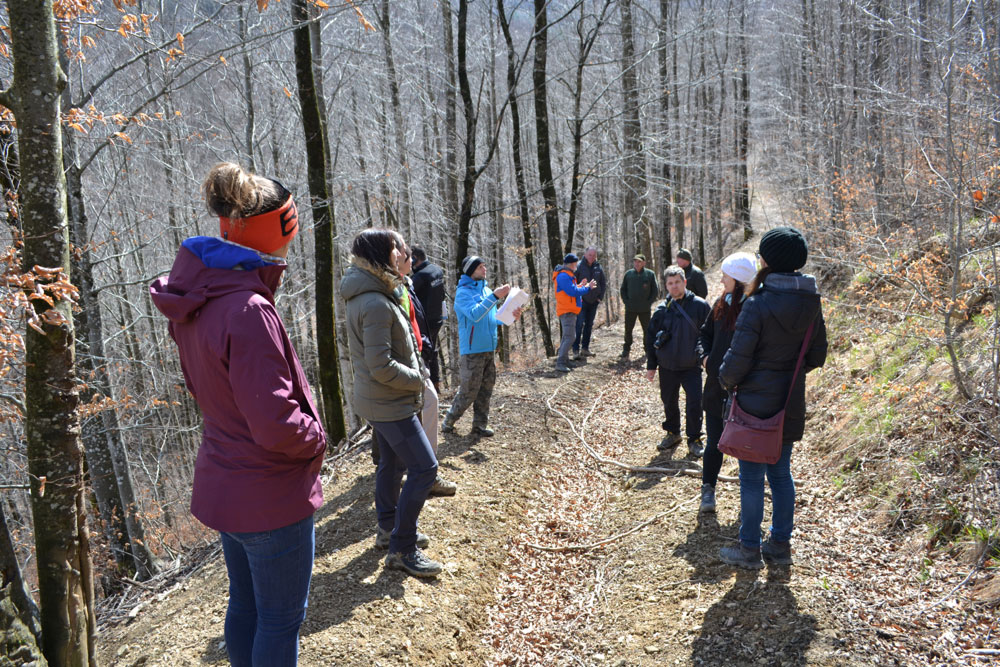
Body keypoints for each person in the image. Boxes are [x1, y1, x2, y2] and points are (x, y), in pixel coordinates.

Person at [150, 162, 325, 666]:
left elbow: (212, 391)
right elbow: (274, 422)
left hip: (227, 479)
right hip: (268, 491)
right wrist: (315, 437)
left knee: (247, 604)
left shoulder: (198, 296)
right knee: (280, 619)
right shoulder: (246, 307)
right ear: (279, 228)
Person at [718, 227, 828, 569]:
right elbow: (817, 355)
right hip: (789, 403)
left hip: (753, 405)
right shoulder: (811, 301)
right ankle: (780, 545)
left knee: (751, 478)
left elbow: (737, 361)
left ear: (766, 260)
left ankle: (749, 549)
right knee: (781, 474)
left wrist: (724, 379)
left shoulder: (758, 303)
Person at [341, 229, 444, 578]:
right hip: (391, 402)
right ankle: (402, 547)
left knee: (391, 463)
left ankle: (388, 528)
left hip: (382, 400)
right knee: (425, 469)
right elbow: (381, 366)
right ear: (383, 257)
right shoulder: (373, 301)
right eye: (400, 249)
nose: (407, 254)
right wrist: (420, 378)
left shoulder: (377, 292)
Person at [696, 251, 757, 512]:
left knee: (747, 449)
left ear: (739, 279)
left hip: (745, 393)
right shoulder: (722, 303)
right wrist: (705, 358)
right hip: (715, 388)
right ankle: (707, 491)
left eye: (726, 276)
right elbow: (704, 335)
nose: (721, 281)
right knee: (713, 443)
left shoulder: (755, 308)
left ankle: (749, 503)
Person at [396, 244, 458, 497]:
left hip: (419, 353)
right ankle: (419, 472)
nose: (410, 263)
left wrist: (425, 347)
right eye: (402, 257)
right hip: (403, 364)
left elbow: (415, 320)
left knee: (429, 402)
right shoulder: (389, 290)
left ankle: (426, 471)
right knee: (405, 418)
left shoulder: (410, 283)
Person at [441, 255, 523, 436]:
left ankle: (479, 426)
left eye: (485, 266)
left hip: (489, 347)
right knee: (469, 391)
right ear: (471, 271)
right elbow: (475, 314)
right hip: (472, 350)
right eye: (480, 267)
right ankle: (449, 420)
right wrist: (495, 296)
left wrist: (511, 317)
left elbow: (492, 319)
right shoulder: (463, 293)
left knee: (486, 388)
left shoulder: (486, 291)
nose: (484, 269)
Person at [645, 266, 712, 457]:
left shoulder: (700, 306)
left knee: (695, 402)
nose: (674, 286)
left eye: (677, 282)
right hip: (667, 366)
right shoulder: (661, 310)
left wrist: (708, 358)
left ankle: (695, 438)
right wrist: (651, 366)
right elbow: (650, 339)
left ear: (685, 282)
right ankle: (673, 433)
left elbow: (710, 335)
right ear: (666, 286)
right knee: (669, 401)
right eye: (670, 283)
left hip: (692, 366)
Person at [409, 246, 445, 394]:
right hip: (438, 318)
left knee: (426, 353)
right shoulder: (437, 270)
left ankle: (430, 387)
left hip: (425, 322)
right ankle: (436, 384)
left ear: (415, 259)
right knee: (434, 350)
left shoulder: (418, 277)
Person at [552, 253, 596, 372]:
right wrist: (587, 288)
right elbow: (572, 292)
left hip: (569, 310)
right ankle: (560, 362)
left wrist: (581, 285)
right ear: (571, 264)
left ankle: (565, 361)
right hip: (566, 311)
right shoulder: (563, 276)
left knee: (567, 336)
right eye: (576, 264)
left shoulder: (567, 275)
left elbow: (572, 289)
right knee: (570, 337)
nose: (577, 266)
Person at [619, 254, 659, 359]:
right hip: (630, 308)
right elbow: (623, 290)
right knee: (628, 329)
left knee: (647, 330)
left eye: (639, 262)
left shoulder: (650, 274)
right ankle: (626, 349)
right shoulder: (628, 274)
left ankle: (647, 349)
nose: (637, 263)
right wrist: (626, 301)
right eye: (635, 261)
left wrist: (649, 302)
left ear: (644, 263)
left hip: (644, 309)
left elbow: (655, 291)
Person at [572, 246, 607, 359]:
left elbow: (603, 283)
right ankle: (575, 350)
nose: (592, 257)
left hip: (594, 302)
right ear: (585, 254)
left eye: (594, 255)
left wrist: (599, 298)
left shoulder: (598, 267)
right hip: (581, 301)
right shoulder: (578, 266)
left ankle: (585, 349)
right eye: (590, 255)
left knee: (589, 325)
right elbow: (573, 283)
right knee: (578, 325)